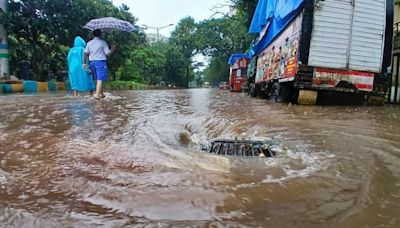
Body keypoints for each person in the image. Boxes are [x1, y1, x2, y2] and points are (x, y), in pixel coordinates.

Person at [83, 29, 116, 100]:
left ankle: (101, 94)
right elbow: (107, 53)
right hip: (100, 62)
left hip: (92, 63)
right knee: (100, 79)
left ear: (93, 34)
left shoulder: (89, 43)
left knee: (97, 79)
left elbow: (85, 53)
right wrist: (113, 49)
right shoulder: (103, 42)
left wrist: (84, 63)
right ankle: (97, 96)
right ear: (100, 34)